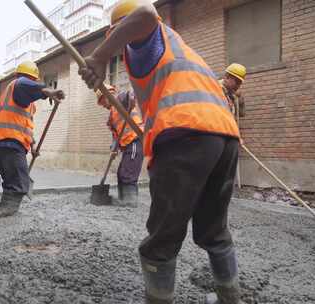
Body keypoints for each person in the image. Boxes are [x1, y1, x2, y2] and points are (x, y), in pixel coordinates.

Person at [78, 1, 243, 303]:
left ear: (116, 30)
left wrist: (101, 55)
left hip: (186, 135)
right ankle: (230, 297)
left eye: (113, 35)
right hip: (225, 137)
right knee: (214, 229)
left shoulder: (145, 40)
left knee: (164, 234)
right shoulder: (178, 48)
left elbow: (144, 14)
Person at [0, 60, 65, 217]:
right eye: (33, 81)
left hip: (6, 142)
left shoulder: (26, 103)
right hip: (9, 141)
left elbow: (26, 126)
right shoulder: (18, 84)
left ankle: (5, 210)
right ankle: (6, 213)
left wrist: (32, 146)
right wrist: (48, 90)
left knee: (11, 179)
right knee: (18, 183)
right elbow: (25, 83)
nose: (32, 83)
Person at [96, 84, 144, 206]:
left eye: (102, 103)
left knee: (128, 173)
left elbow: (129, 95)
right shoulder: (111, 117)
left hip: (135, 140)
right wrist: (113, 148)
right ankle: (123, 198)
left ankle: (130, 201)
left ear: (107, 96)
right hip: (127, 145)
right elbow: (115, 136)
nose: (103, 106)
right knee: (120, 173)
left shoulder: (119, 99)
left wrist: (132, 98)